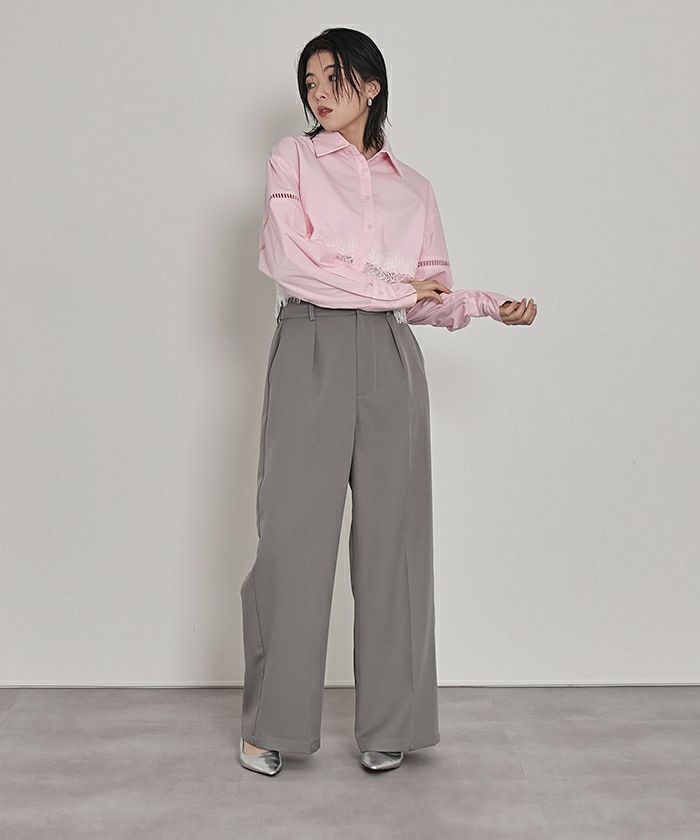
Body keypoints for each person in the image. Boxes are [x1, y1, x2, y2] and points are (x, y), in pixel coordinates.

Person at [239, 27, 537, 778]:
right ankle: (272, 724)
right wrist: (393, 287)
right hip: (310, 345)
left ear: (371, 85)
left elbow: (426, 297)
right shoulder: (292, 159)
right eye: (309, 81)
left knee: (395, 542)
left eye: (332, 77)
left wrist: (484, 304)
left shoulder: (415, 189)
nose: (318, 93)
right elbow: (292, 262)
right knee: (291, 543)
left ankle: (390, 723)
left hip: (391, 358)